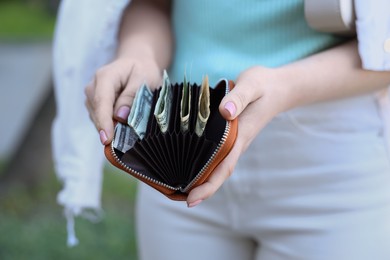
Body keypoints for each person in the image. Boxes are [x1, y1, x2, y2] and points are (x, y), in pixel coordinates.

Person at [82, 0, 390, 259]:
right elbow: (153, 5)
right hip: (182, 144)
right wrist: (139, 55)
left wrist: (284, 88)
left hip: (331, 163)